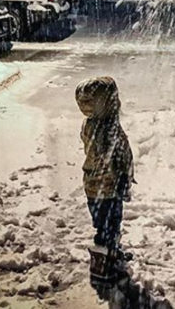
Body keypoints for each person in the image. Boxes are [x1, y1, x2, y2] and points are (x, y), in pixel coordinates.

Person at [75, 76, 135, 279]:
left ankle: (111, 253)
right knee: (109, 226)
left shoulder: (89, 124)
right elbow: (118, 157)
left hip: (92, 187)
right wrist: (125, 176)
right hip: (109, 188)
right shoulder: (109, 129)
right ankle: (102, 267)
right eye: (113, 99)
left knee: (102, 223)